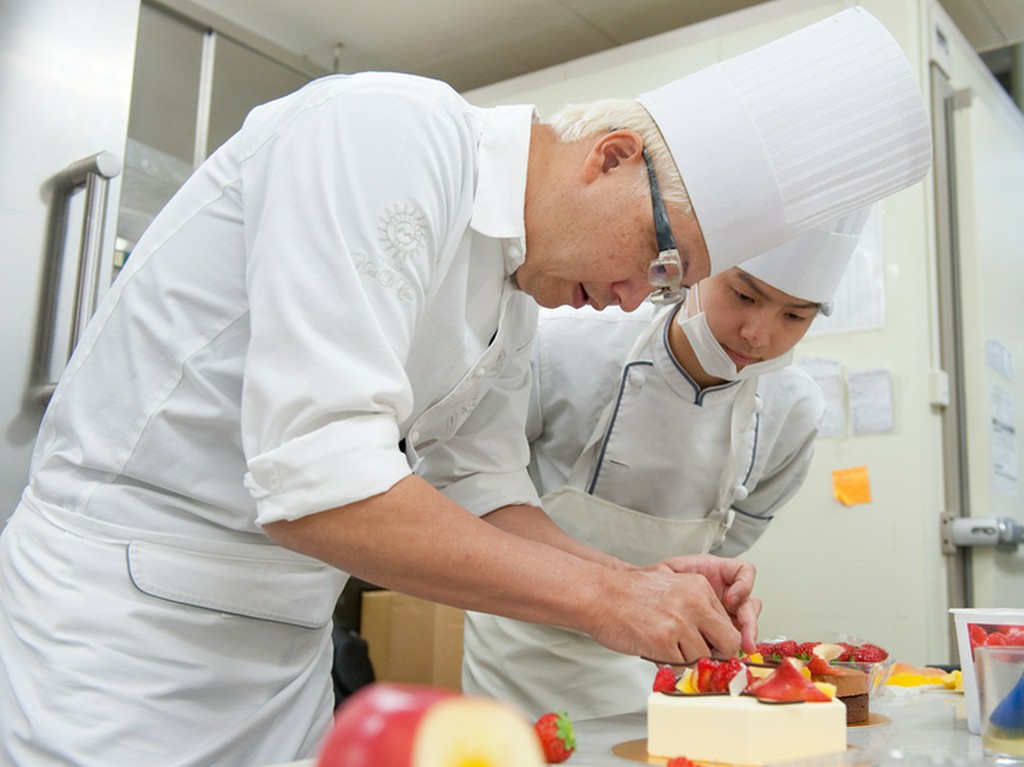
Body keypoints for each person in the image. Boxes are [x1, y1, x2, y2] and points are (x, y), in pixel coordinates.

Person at [0, 7, 930, 766]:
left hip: (283, 652)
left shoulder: (512, 295)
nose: (628, 300)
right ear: (610, 156)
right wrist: (605, 600)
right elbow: (317, 481)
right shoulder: (384, 131)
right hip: (120, 636)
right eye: (657, 259)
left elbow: (483, 493)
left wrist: (634, 579)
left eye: (664, 287)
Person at [461, 210, 871, 720]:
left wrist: (712, 596)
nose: (757, 334)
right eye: (743, 296)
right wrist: (624, 590)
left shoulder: (795, 412)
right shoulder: (564, 345)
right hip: (526, 647)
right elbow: (475, 494)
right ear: (695, 271)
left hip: (665, 658)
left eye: (795, 317)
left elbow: (730, 543)